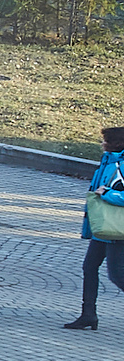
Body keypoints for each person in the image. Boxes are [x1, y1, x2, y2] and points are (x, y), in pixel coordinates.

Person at [66, 126, 124, 330]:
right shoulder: (108, 161)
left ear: (117, 144)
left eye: (105, 141)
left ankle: (88, 314)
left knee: (117, 275)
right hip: (103, 227)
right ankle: (88, 314)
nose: (102, 144)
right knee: (89, 267)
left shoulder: (120, 164)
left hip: (117, 229)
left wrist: (106, 193)